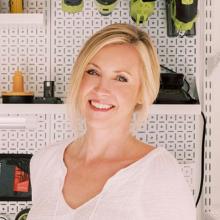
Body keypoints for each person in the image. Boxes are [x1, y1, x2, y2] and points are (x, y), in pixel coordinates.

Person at [27, 23, 196, 220]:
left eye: (121, 78)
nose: (101, 89)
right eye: (93, 72)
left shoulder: (159, 173)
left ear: (142, 93)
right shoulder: (44, 162)